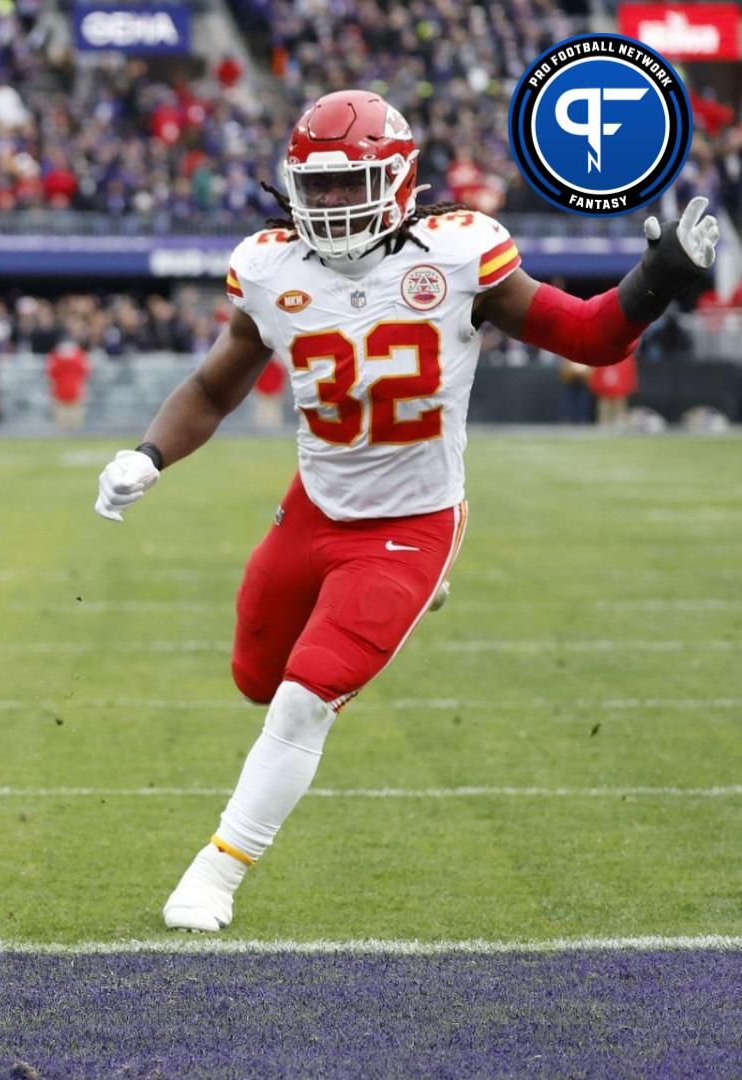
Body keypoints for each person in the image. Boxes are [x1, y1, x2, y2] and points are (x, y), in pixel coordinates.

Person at [92, 90, 719, 934]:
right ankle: (406, 600)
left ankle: (216, 873)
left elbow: (590, 336)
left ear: (396, 180)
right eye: (313, 188)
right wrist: (149, 455)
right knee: (254, 678)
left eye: (348, 184)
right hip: (314, 508)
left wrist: (657, 281)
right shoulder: (272, 270)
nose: (328, 204)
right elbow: (214, 385)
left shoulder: (459, 255)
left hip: (412, 521)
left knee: (304, 700)